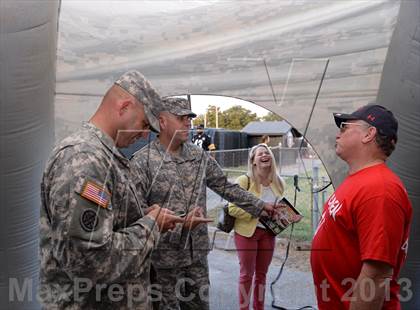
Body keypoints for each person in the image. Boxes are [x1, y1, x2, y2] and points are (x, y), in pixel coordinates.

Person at [39, 71, 184, 309]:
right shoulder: (85, 159)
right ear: (124, 106)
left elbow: (107, 222)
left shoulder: (104, 156)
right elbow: (89, 262)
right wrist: (151, 226)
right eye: (145, 123)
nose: (145, 134)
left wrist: (145, 216)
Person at [132, 98, 279, 310]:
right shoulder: (142, 161)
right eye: (181, 118)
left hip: (196, 256)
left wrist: (259, 205)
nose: (188, 123)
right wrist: (179, 223)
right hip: (163, 260)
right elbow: (134, 211)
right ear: (162, 122)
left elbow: (224, 186)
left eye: (189, 118)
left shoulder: (198, 155)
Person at [310, 104, 412, 310]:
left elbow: (376, 274)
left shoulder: (380, 189)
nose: (338, 134)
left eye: (345, 127)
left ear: (369, 134)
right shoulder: (362, 179)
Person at [228, 143, 301, 310]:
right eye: (260, 153)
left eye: (266, 152)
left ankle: (259, 307)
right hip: (247, 234)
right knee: (247, 274)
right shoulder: (244, 181)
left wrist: (290, 217)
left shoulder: (279, 182)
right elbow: (232, 208)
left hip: (268, 234)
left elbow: (277, 210)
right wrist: (259, 210)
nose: (264, 155)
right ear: (253, 161)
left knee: (262, 275)